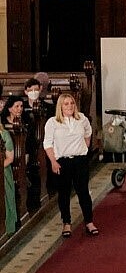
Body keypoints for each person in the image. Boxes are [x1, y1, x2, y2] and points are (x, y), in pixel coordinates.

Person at [44, 92, 95, 237]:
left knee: (83, 192)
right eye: (66, 104)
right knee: (64, 193)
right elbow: (47, 144)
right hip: (62, 161)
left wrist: (85, 146)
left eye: (72, 103)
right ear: (60, 106)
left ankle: (89, 222)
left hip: (79, 160)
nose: (70, 106)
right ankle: (66, 222)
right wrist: (53, 161)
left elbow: (88, 131)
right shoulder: (52, 122)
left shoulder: (81, 119)